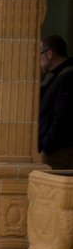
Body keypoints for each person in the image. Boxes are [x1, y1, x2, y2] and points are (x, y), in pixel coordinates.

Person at [39, 34, 73, 170]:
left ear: (49, 54)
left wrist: (46, 147)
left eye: (39, 55)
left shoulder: (67, 77)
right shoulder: (56, 77)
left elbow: (61, 117)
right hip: (54, 148)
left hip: (59, 151)